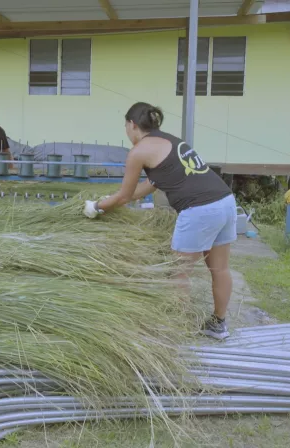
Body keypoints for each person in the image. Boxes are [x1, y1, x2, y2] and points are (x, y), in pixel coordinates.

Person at [82, 102, 237, 340]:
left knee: (178, 272)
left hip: (199, 209)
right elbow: (148, 185)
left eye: (126, 127)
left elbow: (124, 196)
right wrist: (111, 200)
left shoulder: (139, 152)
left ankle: (178, 331)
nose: (126, 132)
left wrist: (96, 207)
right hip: (225, 201)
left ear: (132, 124)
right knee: (220, 269)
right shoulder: (169, 141)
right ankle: (218, 325)